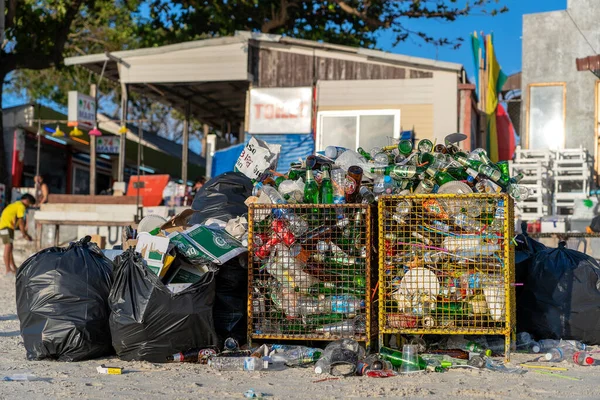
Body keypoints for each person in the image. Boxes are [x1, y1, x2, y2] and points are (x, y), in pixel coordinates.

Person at [0, 194, 35, 275]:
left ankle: (14, 268)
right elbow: (21, 222)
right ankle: (8, 270)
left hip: (7, 227)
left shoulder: (16, 204)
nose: (28, 207)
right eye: (29, 205)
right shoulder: (21, 206)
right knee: (8, 246)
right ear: (27, 201)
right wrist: (24, 234)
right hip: (5, 226)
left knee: (10, 247)